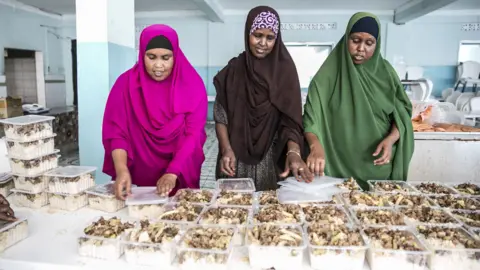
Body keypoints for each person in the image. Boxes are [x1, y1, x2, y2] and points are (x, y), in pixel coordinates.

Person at [303, 12, 414, 190]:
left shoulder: (386, 74)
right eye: (355, 40)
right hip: (337, 167)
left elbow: (402, 115)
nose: (361, 48)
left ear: (376, 45)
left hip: (378, 167)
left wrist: (391, 139)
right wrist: (315, 147)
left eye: (369, 43)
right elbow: (311, 120)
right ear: (346, 38)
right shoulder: (326, 78)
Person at [102, 24, 208, 200]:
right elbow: (116, 133)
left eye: (166, 58)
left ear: (175, 56)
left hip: (179, 170)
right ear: (142, 54)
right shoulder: (125, 85)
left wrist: (172, 172)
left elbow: (193, 134)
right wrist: (122, 169)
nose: (159, 65)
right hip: (136, 174)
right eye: (151, 57)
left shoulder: (192, 85)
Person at [213, 6, 313, 191]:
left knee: (269, 212)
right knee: (233, 212)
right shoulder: (234, 70)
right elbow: (220, 115)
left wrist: (294, 152)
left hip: (271, 157)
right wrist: (226, 149)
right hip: (235, 158)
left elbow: (291, 121)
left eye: (270, 37)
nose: (263, 43)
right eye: (257, 35)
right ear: (247, 34)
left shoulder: (285, 73)